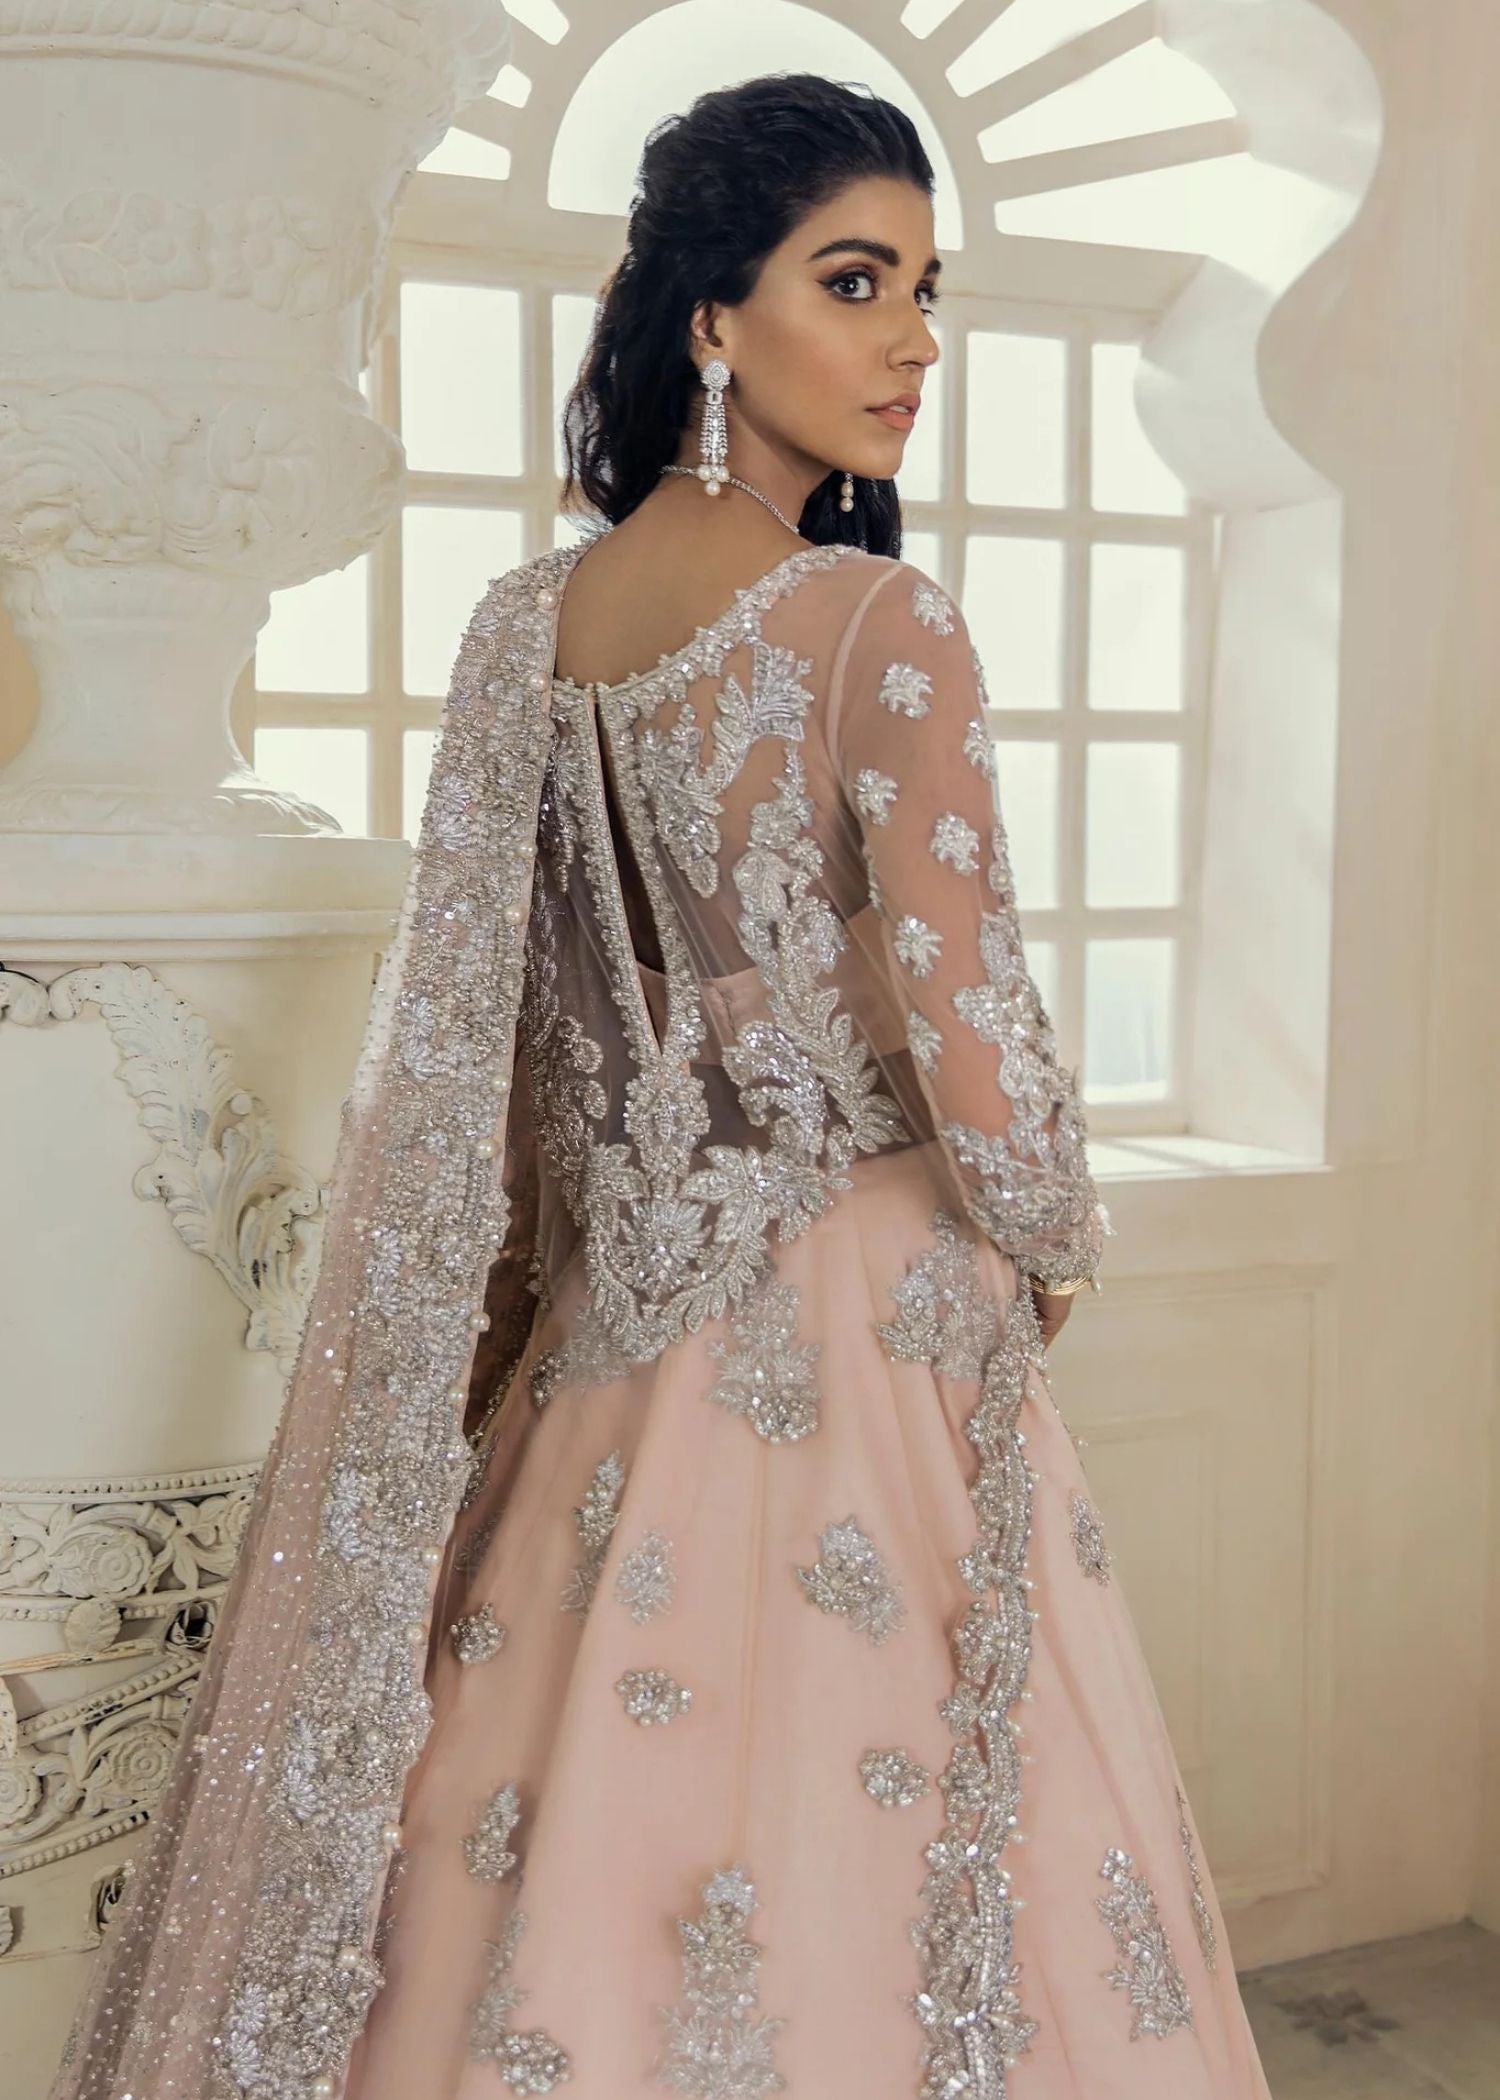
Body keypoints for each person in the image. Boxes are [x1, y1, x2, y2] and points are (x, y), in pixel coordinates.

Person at [48, 72, 1274, 2100]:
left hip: (605, 1345)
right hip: (877, 1321)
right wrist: (1048, 1241)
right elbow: (984, 1052)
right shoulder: (877, 625)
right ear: (713, 316)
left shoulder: (524, 632)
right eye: (854, 282)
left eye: (927, 292)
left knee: (562, 1863)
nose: (911, 341)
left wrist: (529, 1317)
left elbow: (514, 1059)